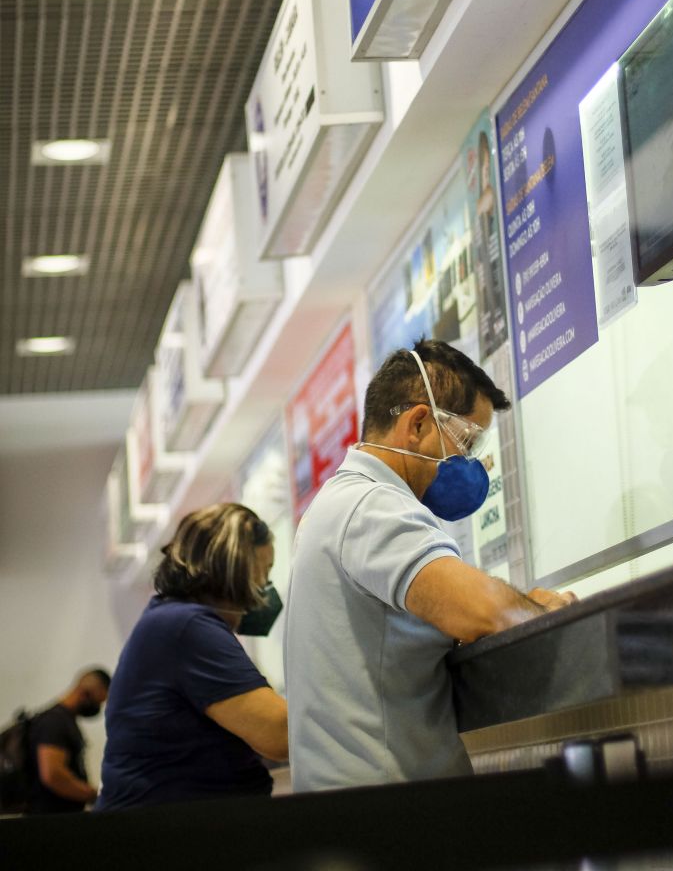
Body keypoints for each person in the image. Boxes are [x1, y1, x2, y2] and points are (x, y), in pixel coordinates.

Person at [284, 338, 577, 792]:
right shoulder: (372, 506)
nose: (471, 464)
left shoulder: (337, 503)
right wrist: (541, 610)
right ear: (417, 423)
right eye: (466, 441)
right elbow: (483, 612)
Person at [96, 504, 287, 809]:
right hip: (167, 836)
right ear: (237, 568)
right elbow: (279, 734)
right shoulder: (187, 627)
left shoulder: (169, 619)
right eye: (264, 574)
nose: (265, 591)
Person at [27, 668, 111, 813]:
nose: (98, 708)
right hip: (48, 820)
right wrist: (94, 795)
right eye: (98, 702)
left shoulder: (63, 720)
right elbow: (53, 775)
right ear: (85, 694)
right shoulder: (55, 722)